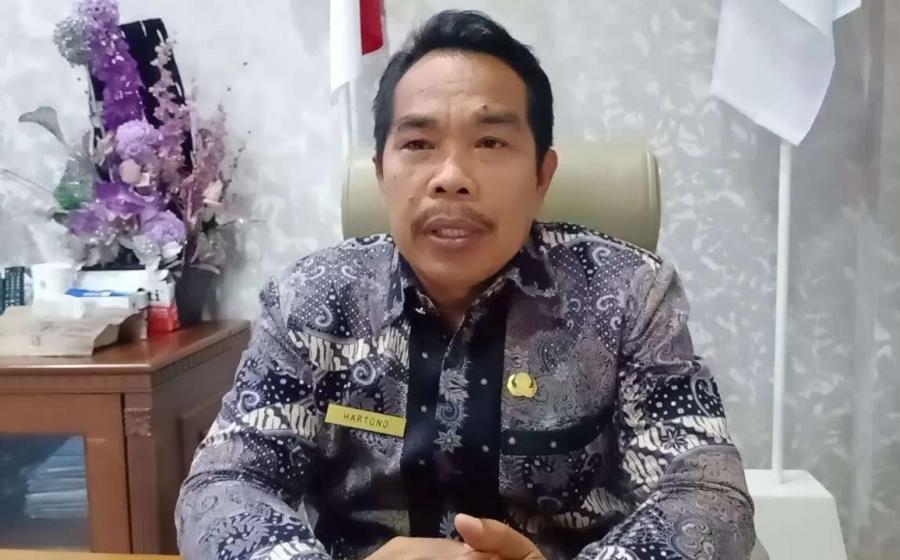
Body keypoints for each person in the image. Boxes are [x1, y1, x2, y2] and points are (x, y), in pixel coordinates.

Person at [176, 10, 755, 560]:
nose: (451, 177)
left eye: (491, 142)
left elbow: (704, 492)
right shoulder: (311, 300)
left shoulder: (629, 293)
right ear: (381, 174)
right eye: (418, 144)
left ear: (542, 176)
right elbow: (226, 485)